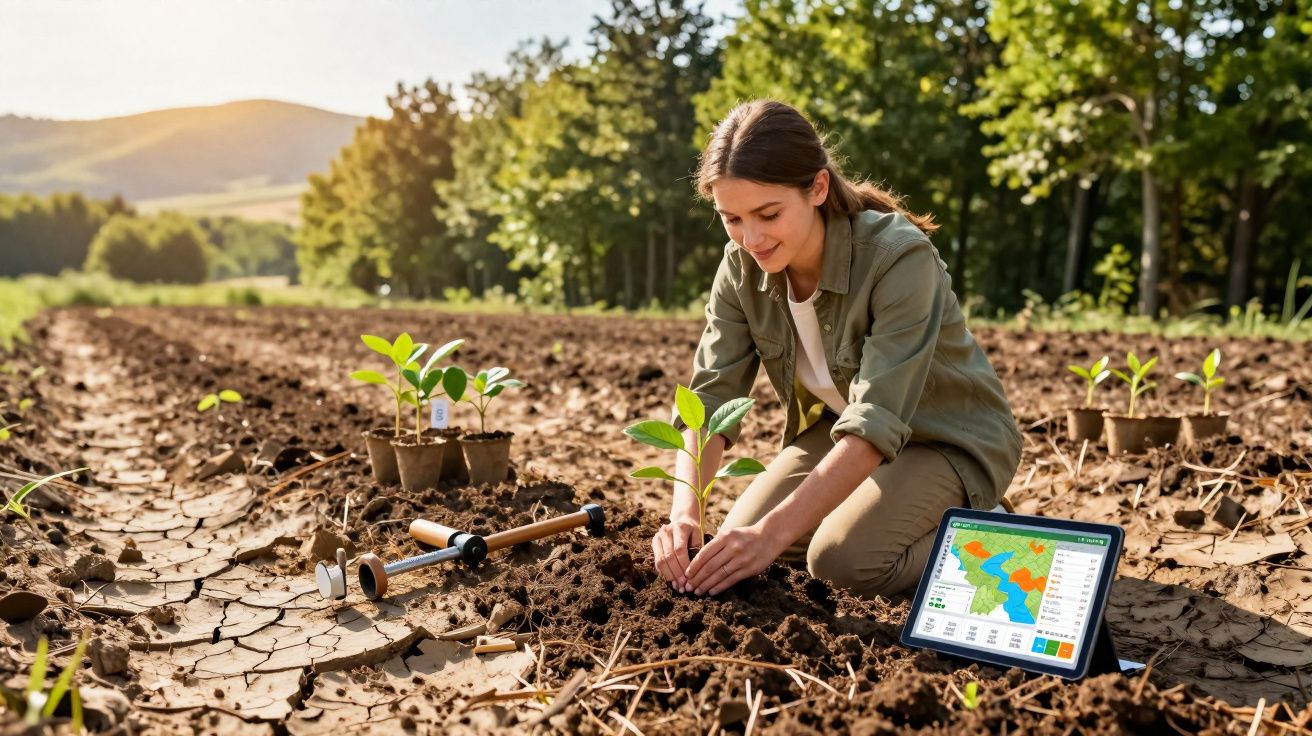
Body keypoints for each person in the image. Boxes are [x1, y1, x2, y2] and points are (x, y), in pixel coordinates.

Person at [650, 100, 1023, 600]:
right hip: (839, 430)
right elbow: (710, 401)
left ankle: (990, 526)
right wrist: (685, 512)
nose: (750, 238)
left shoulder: (899, 256)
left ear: (818, 188)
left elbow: (878, 418)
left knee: (840, 561)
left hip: (945, 438)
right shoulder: (740, 266)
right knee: (736, 547)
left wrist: (772, 533)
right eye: (731, 218)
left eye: (768, 214)